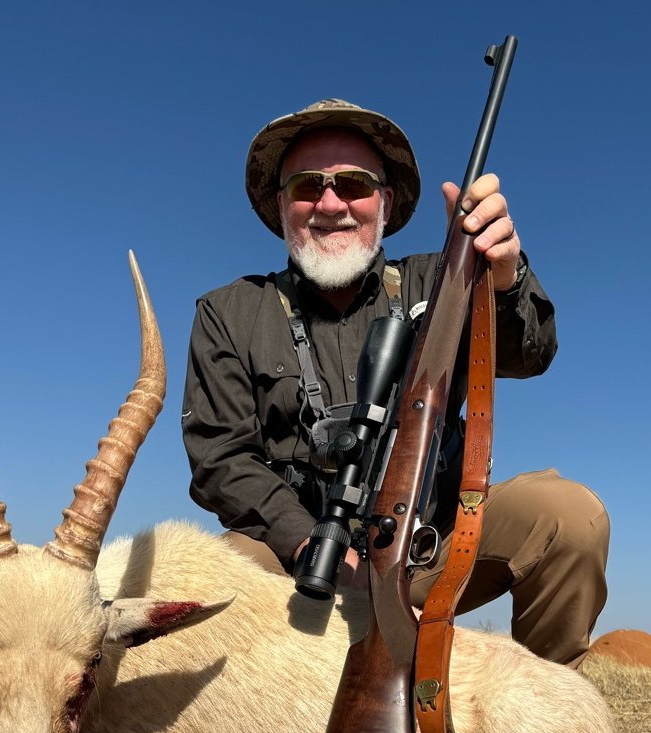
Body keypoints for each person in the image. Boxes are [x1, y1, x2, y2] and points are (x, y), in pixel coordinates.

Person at [181, 99, 609, 667]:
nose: (330, 204)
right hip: (300, 565)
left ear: (384, 201)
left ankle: (560, 730)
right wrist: (309, 540)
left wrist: (504, 278)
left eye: (354, 185)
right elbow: (220, 457)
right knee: (222, 573)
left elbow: (529, 353)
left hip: (432, 549)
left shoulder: (442, 277)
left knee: (566, 517)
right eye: (308, 187)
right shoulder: (227, 311)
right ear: (281, 204)